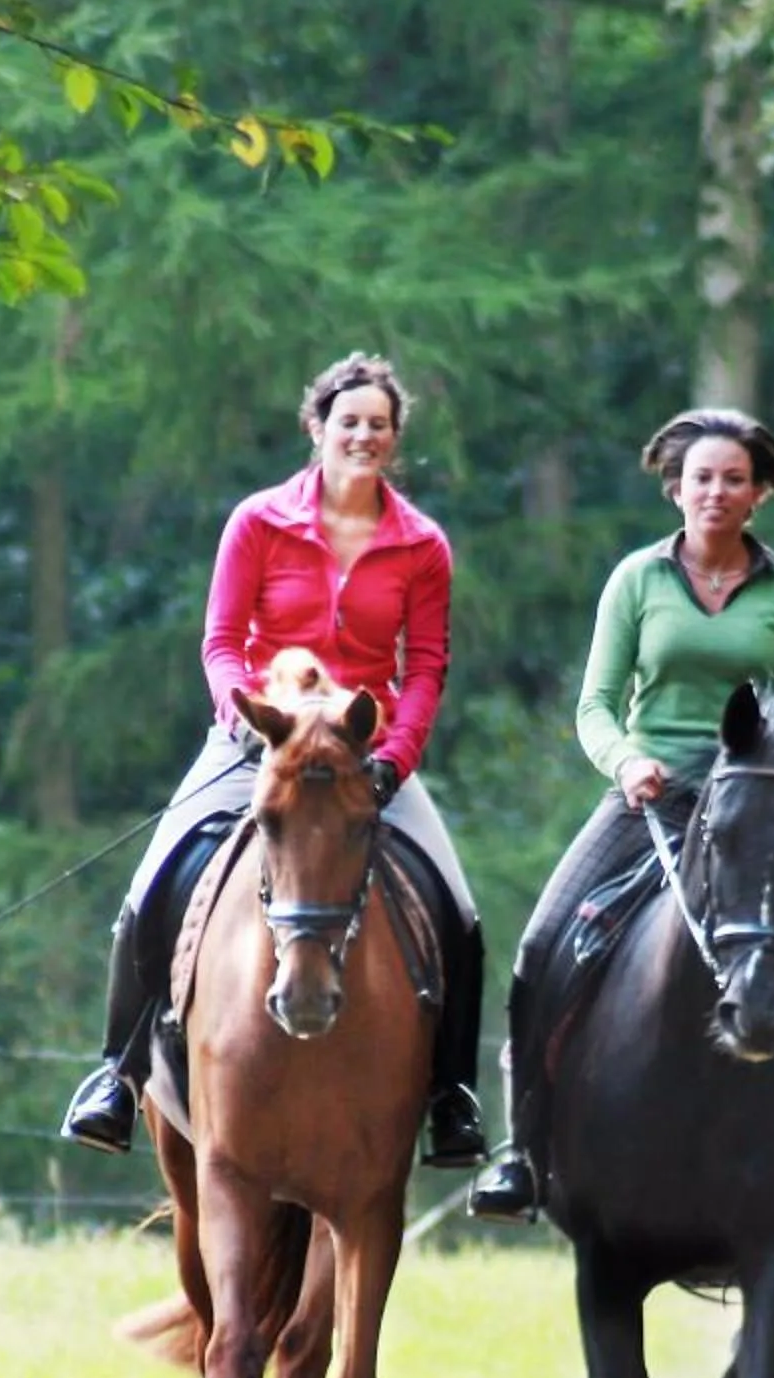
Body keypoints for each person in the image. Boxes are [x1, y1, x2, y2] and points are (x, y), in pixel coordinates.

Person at [468, 408, 774, 1243]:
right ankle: (523, 1151)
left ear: (759, 494)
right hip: (650, 795)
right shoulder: (636, 581)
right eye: (701, 478)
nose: (715, 492)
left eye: (733, 479)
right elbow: (596, 707)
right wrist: (624, 763)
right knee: (541, 946)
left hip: (757, 802)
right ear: (675, 488)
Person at [59, 352, 488, 1167]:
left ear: (395, 441)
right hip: (258, 739)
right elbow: (221, 642)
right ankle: (115, 1074)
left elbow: (426, 664)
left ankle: (451, 1100)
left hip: (366, 756)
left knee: (460, 916)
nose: (363, 436)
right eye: (349, 422)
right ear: (317, 428)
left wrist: (396, 756)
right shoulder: (258, 520)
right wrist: (245, 719)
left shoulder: (423, 544)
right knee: (150, 886)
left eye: (379, 426)